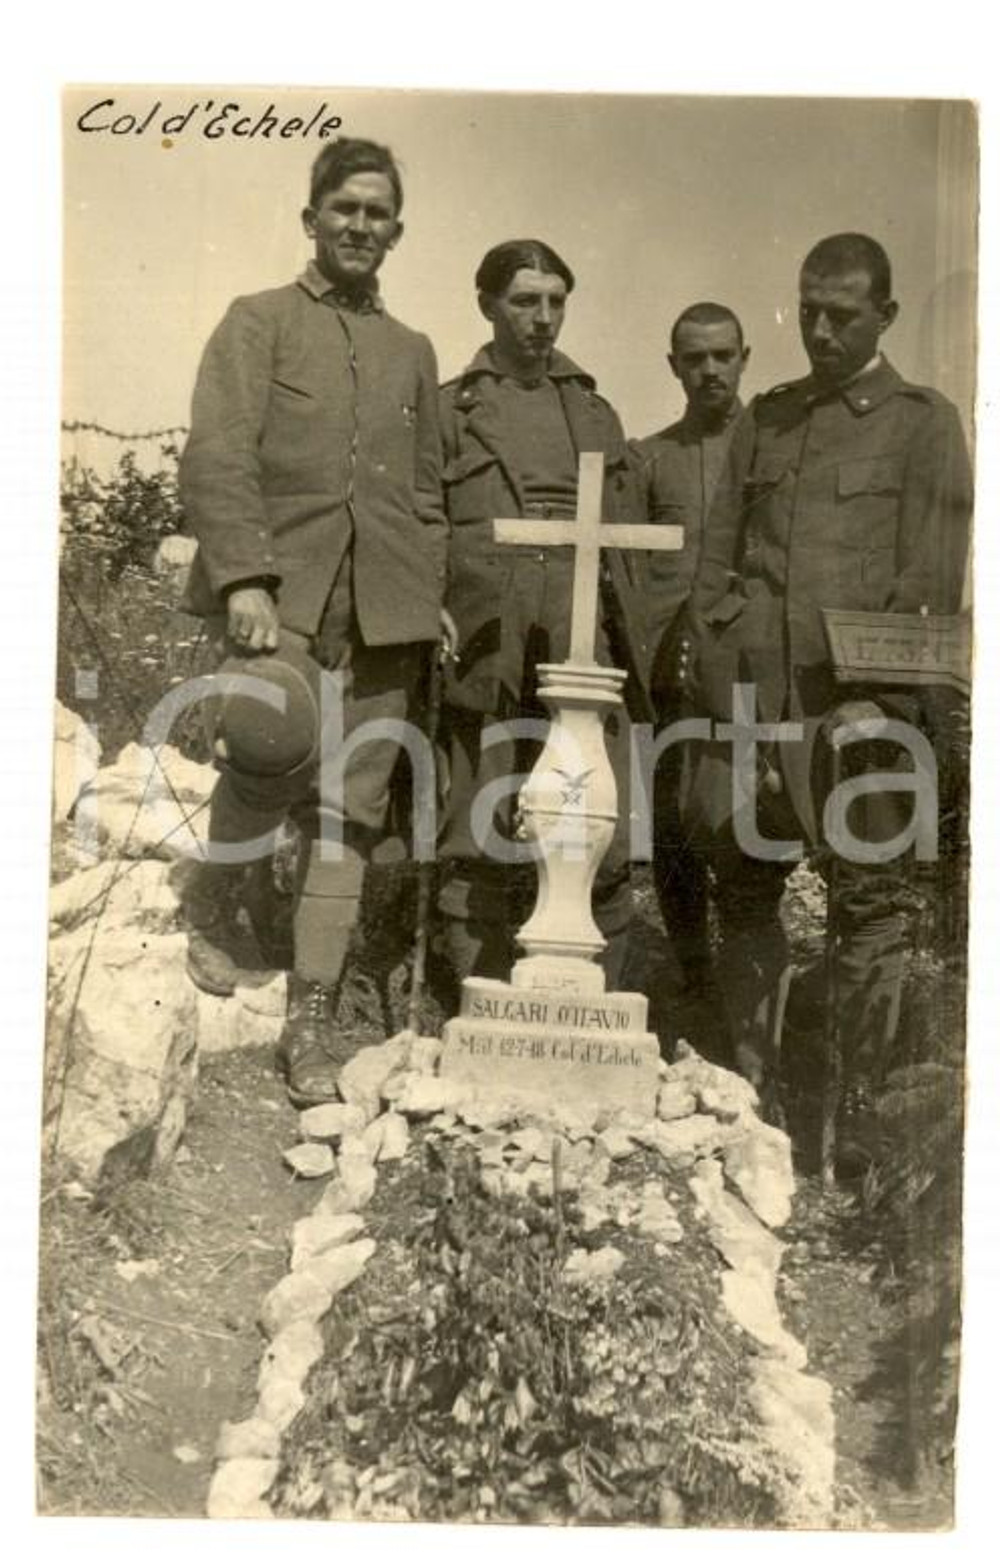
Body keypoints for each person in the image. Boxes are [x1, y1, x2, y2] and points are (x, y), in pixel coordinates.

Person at [686, 233, 972, 1159]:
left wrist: (875, 698)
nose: (819, 330)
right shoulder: (767, 421)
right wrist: (730, 658)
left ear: (885, 316)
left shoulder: (925, 424)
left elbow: (927, 581)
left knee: (870, 909)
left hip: (863, 715)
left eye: (841, 315)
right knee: (743, 886)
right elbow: (716, 565)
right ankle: (750, 1099)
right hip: (758, 707)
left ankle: (858, 1134)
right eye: (807, 309)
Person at [178, 137, 449, 1107]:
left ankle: (311, 1021)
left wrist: (430, 597)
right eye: (344, 210)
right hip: (280, 601)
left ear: (397, 231)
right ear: (311, 220)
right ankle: (215, 897)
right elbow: (218, 456)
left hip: (383, 618)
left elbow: (426, 499)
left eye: (377, 213)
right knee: (264, 746)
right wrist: (244, 577)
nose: (360, 227)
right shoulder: (258, 324)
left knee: (349, 810)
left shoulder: (411, 353)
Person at [433, 239, 646, 997]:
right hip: (489, 636)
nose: (543, 319)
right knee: (480, 811)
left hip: (582, 633)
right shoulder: (450, 410)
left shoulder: (594, 411)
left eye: (556, 301)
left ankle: (590, 1005)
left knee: (596, 814)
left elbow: (628, 531)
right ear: (488, 303)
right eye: (526, 301)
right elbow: (423, 517)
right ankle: (475, 996)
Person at [632, 302, 750, 994]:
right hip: (669, 673)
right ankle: (692, 971)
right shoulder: (651, 458)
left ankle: (746, 969)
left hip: (742, 669)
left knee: (738, 820)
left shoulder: (771, 455)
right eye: (694, 358)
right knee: (672, 820)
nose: (709, 371)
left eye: (722, 356)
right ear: (673, 365)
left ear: (744, 357)